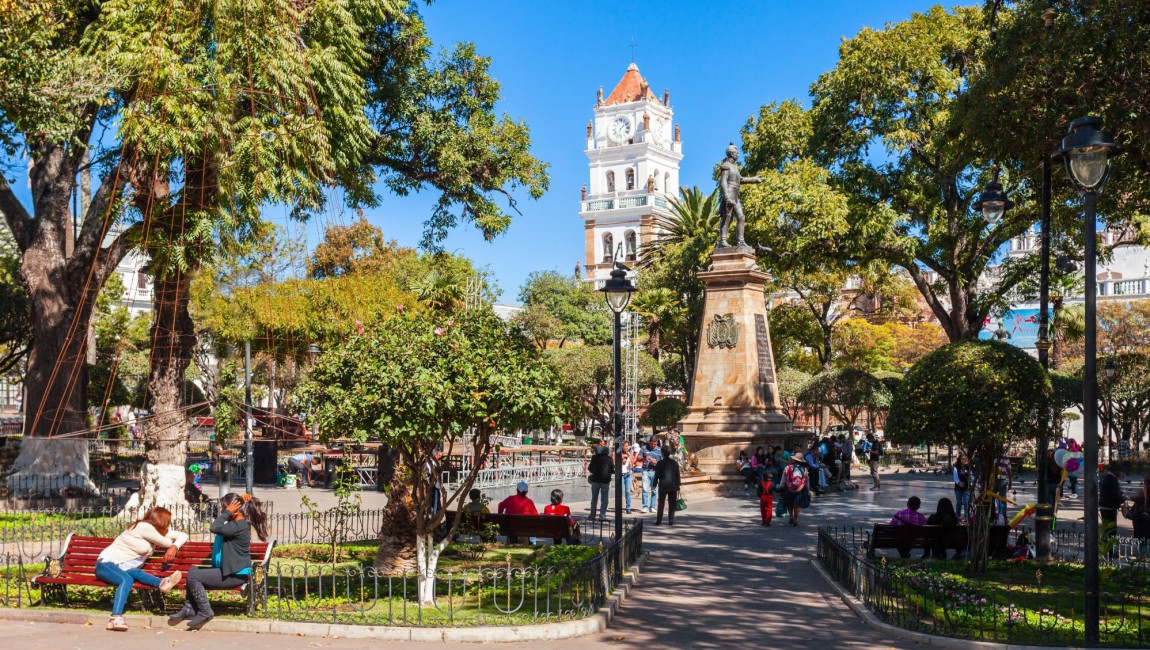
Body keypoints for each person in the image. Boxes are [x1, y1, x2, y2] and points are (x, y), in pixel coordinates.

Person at [171, 493, 267, 629]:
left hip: (235, 575)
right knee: (193, 571)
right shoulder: (236, 524)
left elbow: (214, 528)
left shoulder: (237, 526)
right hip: (229, 572)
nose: (222, 512)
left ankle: (205, 611)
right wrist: (238, 503)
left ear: (235, 510)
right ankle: (189, 609)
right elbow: (218, 526)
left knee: (193, 575)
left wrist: (228, 511)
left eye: (224, 508)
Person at [96, 507, 186, 632]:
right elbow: (166, 543)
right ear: (162, 521)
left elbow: (183, 535)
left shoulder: (155, 531)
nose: (168, 525)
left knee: (134, 572)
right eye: (168, 522)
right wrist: (170, 544)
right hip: (106, 563)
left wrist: (175, 546)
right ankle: (114, 618)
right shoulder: (143, 526)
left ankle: (162, 583)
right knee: (126, 579)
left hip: (123, 566)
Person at [651, 445, 681, 526]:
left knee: (661, 503)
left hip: (663, 485)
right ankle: (671, 520)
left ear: (662, 453)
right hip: (673, 486)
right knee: (672, 504)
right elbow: (677, 475)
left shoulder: (660, 463)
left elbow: (656, 475)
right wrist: (678, 485)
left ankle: (659, 520)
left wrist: (654, 484)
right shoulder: (674, 463)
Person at [1099, 462, 1125, 552]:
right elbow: (1115, 495)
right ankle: (1109, 551)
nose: (1120, 473)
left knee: (1106, 529)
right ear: (1115, 471)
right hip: (1109, 507)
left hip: (1104, 505)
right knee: (1111, 530)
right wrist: (1123, 498)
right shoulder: (1112, 479)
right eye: (1119, 470)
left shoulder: (1105, 477)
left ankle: (1105, 549)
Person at [1122, 476, 1150, 554]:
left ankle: (1143, 557)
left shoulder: (1143, 493)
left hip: (1142, 523)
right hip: (1144, 521)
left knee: (1142, 541)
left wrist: (1127, 513)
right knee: (1144, 541)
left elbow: (1136, 512)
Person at [587, 440, 613, 521]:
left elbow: (590, 468)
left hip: (595, 480)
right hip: (605, 481)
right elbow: (612, 469)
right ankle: (602, 515)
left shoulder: (594, 458)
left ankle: (592, 515)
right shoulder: (609, 459)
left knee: (594, 498)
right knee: (604, 499)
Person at [781, 451, 808, 526]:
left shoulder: (788, 467)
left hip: (788, 487)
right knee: (797, 504)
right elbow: (806, 479)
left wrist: (781, 485)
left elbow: (783, 477)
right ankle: (796, 519)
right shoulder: (804, 469)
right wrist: (807, 489)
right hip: (800, 489)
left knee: (790, 503)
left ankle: (791, 517)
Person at [638, 438, 663, 514]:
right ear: (649, 442)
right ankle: (645, 506)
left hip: (655, 472)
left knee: (654, 490)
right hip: (646, 471)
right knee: (645, 489)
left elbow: (662, 462)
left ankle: (652, 507)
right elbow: (638, 459)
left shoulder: (659, 450)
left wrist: (657, 463)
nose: (653, 445)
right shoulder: (644, 448)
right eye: (652, 444)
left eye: (655, 444)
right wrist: (645, 458)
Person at [953, 455, 972, 522]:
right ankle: (958, 516)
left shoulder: (968, 468)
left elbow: (971, 476)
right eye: (962, 459)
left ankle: (966, 516)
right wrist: (959, 483)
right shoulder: (956, 468)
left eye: (965, 459)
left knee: (965, 502)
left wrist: (974, 482)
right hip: (958, 488)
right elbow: (955, 477)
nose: (963, 460)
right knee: (959, 502)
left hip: (966, 488)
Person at [621, 444, 634, 514]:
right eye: (625, 446)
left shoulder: (629, 454)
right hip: (621, 474)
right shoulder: (618, 454)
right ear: (622, 446)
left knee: (628, 492)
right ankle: (619, 507)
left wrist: (631, 465)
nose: (627, 447)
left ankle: (628, 508)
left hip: (628, 474)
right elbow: (613, 462)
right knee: (621, 492)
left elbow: (632, 463)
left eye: (628, 446)